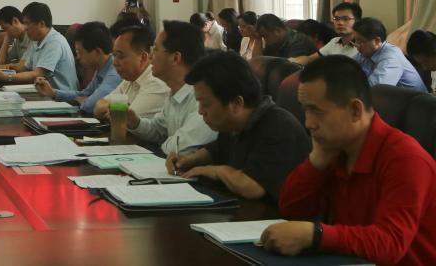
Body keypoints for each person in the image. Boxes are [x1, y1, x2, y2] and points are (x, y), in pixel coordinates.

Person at [260, 56, 436, 264]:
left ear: (355, 110)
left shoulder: (406, 159)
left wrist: (317, 235)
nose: (308, 123)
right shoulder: (336, 147)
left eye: (316, 111)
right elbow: (291, 209)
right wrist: (316, 161)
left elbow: (390, 244)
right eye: (305, 110)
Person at [169, 52, 310, 202]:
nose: (200, 111)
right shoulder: (234, 124)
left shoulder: (279, 127)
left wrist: (216, 171)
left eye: (206, 104)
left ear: (236, 103)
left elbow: (252, 187)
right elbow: (217, 149)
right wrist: (188, 160)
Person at [126, 21, 217, 156]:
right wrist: (135, 123)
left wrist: (163, 143)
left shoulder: (201, 97)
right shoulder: (175, 91)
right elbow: (158, 129)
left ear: (175, 58)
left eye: (156, 49)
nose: (150, 56)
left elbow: (182, 147)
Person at [35, 21, 121, 114]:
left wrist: (83, 100)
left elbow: (89, 106)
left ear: (97, 52)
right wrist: (53, 93)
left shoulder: (114, 74)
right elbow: (84, 94)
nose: (78, 57)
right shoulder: (101, 67)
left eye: (80, 52)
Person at [0, 2, 78, 91]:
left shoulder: (55, 42)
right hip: (44, 92)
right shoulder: (36, 41)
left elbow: (38, 74)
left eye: (27, 23)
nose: (25, 27)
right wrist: (1, 69)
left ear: (41, 24)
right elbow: (24, 67)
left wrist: (6, 77)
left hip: (62, 96)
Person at [92, 25, 169, 120]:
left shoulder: (156, 83)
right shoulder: (130, 79)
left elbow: (128, 121)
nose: (115, 63)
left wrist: (114, 109)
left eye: (120, 56)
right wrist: (117, 110)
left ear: (143, 57)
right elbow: (98, 107)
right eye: (114, 55)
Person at [352, 17, 425, 90]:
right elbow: (348, 67)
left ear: (377, 41)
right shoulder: (366, 52)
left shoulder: (391, 58)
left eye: (360, 41)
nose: (356, 45)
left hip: (412, 97)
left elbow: (375, 90)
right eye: (355, 41)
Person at [290, 2, 361, 65]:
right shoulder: (334, 41)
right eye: (336, 19)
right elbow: (310, 58)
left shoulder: (361, 46)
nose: (340, 23)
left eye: (345, 19)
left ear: (357, 21)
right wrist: (289, 61)